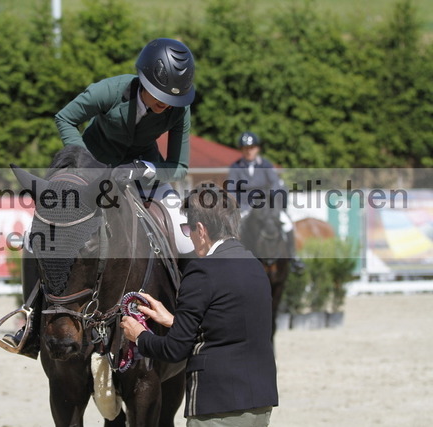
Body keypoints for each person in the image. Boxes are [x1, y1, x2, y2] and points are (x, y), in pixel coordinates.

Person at [120, 183, 278, 426]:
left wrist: (139, 336)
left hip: (217, 407)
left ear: (201, 229)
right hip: (260, 403)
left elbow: (174, 350)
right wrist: (175, 321)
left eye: (188, 229)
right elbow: (229, 324)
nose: (190, 236)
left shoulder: (202, 271)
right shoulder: (254, 264)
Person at [54, 37, 196, 255]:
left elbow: (179, 167)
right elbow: (65, 118)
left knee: (184, 235)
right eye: (161, 95)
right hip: (93, 167)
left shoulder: (180, 110)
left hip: (143, 173)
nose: (167, 104)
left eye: (173, 100)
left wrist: (145, 169)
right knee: (51, 219)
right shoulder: (109, 91)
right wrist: (85, 164)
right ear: (145, 80)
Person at [227, 131, 304, 272]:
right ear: (242, 150)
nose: (249, 151)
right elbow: (231, 189)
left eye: (251, 148)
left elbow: (275, 183)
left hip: (266, 206)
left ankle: (293, 257)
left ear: (257, 148)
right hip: (245, 208)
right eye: (245, 148)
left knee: (287, 223)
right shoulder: (235, 167)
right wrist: (239, 207)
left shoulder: (266, 165)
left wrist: (269, 199)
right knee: (233, 230)